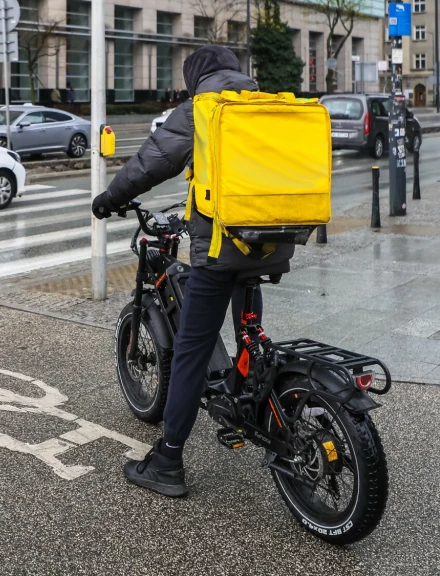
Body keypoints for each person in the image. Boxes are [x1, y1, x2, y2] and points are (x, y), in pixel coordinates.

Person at [91, 45, 295, 498]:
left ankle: (167, 460)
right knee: (250, 335)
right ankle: (254, 405)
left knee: (190, 351)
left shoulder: (202, 110)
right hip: (271, 244)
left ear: (195, 78)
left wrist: (109, 198)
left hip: (222, 251)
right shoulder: (264, 104)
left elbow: (152, 161)